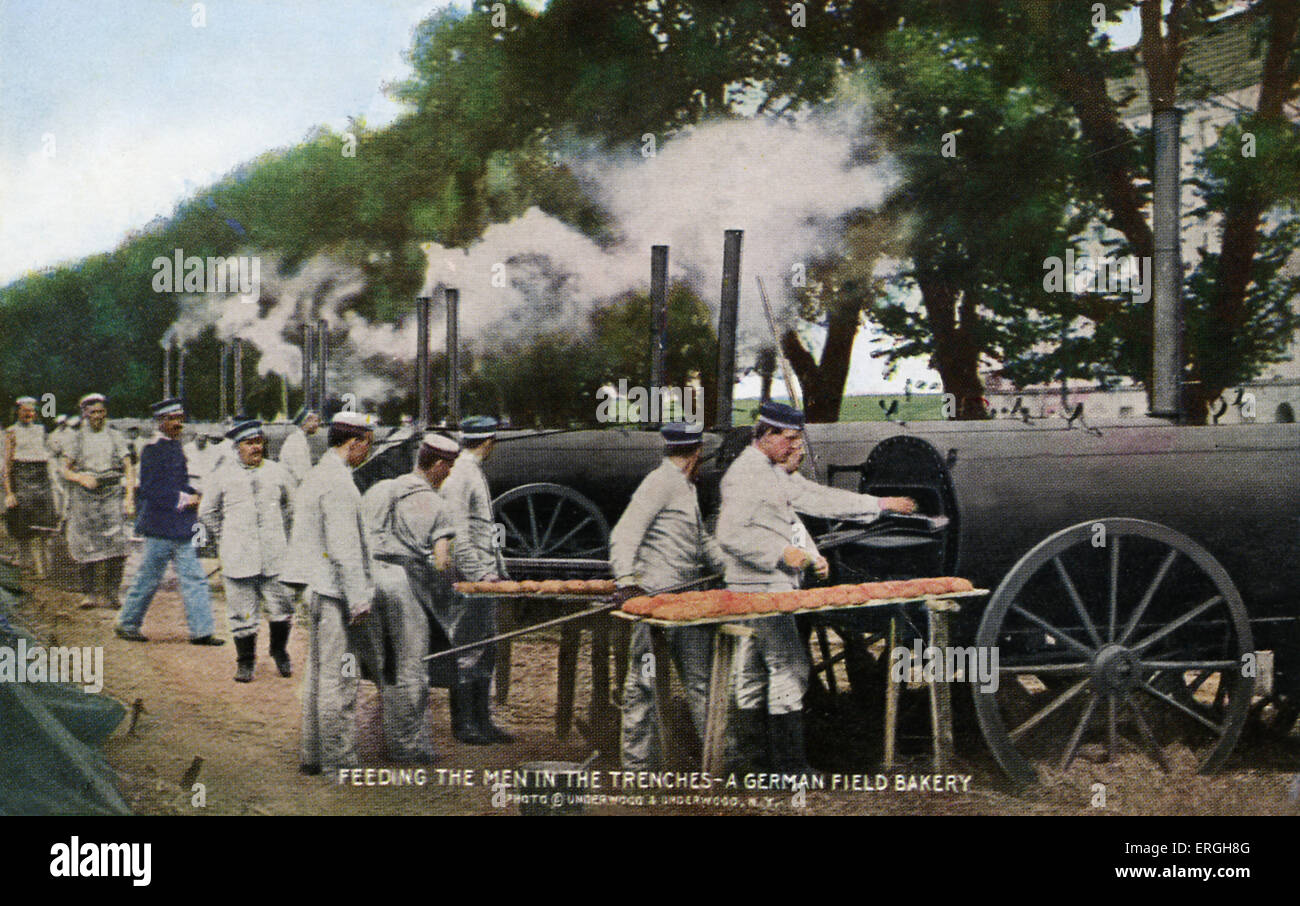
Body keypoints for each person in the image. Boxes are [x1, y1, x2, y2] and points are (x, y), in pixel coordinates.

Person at [715, 401, 915, 772]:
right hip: (762, 586)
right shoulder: (748, 474)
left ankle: (751, 766)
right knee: (790, 667)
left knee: (754, 671)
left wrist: (880, 504)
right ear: (768, 435)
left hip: (758, 584)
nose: (796, 448)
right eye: (790, 439)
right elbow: (728, 534)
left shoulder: (768, 470)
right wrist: (783, 553)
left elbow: (813, 500)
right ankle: (788, 770)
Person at [610, 420, 727, 770]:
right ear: (697, 454)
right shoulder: (659, 483)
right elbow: (624, 533)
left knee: (700, 681)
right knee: (644, 682)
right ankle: (638, 765)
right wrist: (627, 580)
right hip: (656, 599)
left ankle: (716, 763)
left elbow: (698, 538)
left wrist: (727, 566)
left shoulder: (684, 487)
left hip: (687, 600)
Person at [283, 410, 379, 775]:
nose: (367, 453)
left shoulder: (319, 473)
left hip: (317, 588)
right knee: (340, 680)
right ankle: (339, 761)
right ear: (354, 442)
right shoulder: (338, 482)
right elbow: (343, 549)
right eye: (367, 445)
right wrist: (359, 598)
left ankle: (313, 755)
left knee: (318, 677)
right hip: (336, 593)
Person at [360, 432, 459, 762]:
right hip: (404, 583)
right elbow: (442, 561)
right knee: (411, 667)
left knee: (384, 667)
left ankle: (387, 740)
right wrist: (447, 588)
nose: (449, 474)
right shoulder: (437, 504)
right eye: (449, 467)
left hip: (368, 580)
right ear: (439, 464)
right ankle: (409, 748)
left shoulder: (380, 489)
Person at [114, 399, 222, 645]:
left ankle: (202, 631)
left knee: (194, 576)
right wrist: (186, 498)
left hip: (180, 526)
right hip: (159, 526)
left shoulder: (175, 447)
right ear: (160, 422)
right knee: (149, 576)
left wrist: (193, 492)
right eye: (172, 419)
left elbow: (178, 482)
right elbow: (151, 490)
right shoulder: (151, 449)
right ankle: (127, 623)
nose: (178, 424)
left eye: (180, 419)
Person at [198, 419, 296, 682]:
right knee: (242, 612)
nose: (255, 448)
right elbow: (207, 512)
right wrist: (225, 537)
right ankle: (245, 661)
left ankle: (279, 651)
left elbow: (290, 507)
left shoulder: (278, 472)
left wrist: (279, 533)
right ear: (237, 447)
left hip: (274, 554)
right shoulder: (222, 475)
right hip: (237, 555)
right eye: (249, 443)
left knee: (281, 606)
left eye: (259, 442)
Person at [440, 415, 513, 745]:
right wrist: (479, 575)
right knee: (467, 648)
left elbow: (485, 528)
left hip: (485, 575)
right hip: (470, 578)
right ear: (488, 442)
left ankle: (483, 721)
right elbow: (457, 534)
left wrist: (497, 567)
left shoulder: (471, 471)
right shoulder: (460, 474)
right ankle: (464, 724)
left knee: (485, 648)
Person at [62, 394, 135, 610]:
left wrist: (129, 497)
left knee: (118, 542)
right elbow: (64, 469)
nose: (98, 416)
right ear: (84, 414)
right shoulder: (76, 438)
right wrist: (81, 477)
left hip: (111, 491)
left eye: (101, 412)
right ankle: (89, 593)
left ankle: (112, 593)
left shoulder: (115, 436)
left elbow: (129, 467)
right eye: (93, 412)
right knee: (86, 543)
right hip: (85, 494)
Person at [4, 396, 58, 578]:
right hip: (22, 478)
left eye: (32, 411)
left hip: (42, 479)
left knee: (45, 526)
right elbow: (7, 466)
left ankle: (45, 568)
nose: (28, 414)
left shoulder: (41, 430)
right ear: (17, 411)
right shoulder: (11, 432)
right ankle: (29, 566)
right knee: (24, 525)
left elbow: (50, 456)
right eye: (25, 410)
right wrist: (9, 492)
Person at [278, 407, 320, 486]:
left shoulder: (301, 439)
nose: (317, 425)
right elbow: (300, 473)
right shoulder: (296, 441)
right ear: (305, 422)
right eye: (315, 421)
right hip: (291, 486)